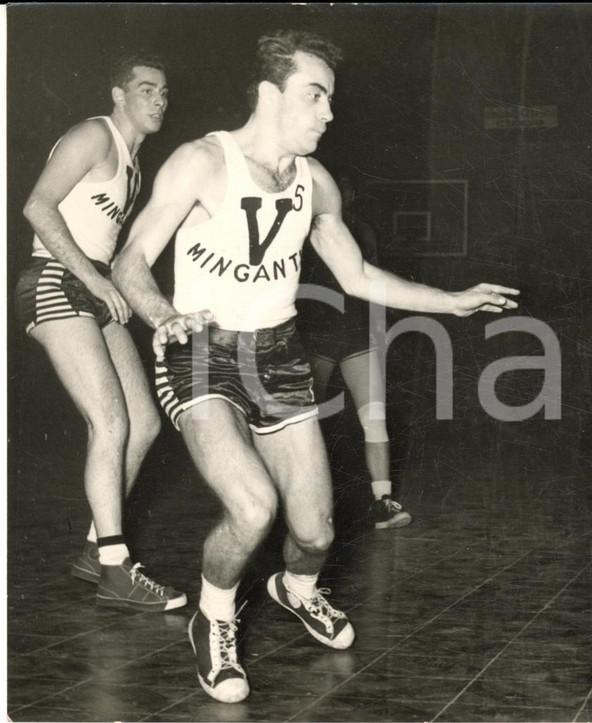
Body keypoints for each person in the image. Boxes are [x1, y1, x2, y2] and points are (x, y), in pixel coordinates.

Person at [111, 30, 519, 704]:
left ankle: (296, 587)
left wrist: (452, 299)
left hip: (278, 355)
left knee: (316, 531)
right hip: (203, 353)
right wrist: (162, 316)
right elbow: (129, 259)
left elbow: (356, 275)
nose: (329, 112)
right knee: (252, 506)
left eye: (330, 97)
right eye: (315, 95)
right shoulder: (202, 162)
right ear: (270, 93)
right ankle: (214, 618)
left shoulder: (314, 182)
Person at [14, 53, 185, 613]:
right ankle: (116, 566)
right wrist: (94, 278)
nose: (159, 99)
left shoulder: (135, 163)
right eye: (146, 89)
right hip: (54, 279)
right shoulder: (94, 134)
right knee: (108, 420)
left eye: (164, 92)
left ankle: (95, 547)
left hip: (93, 287)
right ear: (118, 95)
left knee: (142, 424)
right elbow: (37, 207)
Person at [298, 172, 412, 530]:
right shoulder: (296, 230)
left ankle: (383, 503)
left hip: (357, 338)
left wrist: (380, 330)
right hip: (312, 338)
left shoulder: (361, 232)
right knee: (301, 426)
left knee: (374, 420)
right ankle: (300, 505)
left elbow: (373, 284)